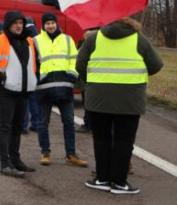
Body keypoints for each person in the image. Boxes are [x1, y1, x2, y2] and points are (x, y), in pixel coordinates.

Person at [77, 18, 163, 195]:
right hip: (130, 100)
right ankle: (119, 182)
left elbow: (80, 65)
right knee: (124, 141)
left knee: (101, 139)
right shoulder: (139, 39)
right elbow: (156, 66)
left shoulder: (93, 38)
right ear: (130, 21)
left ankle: (102, 179)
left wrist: (93, 83)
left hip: (97, 99)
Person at [0, 10, 39, 178]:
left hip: (23, 91)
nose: (19, 26)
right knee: (5, 127)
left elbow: (35, 63)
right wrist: (2, 79)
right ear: (8, 24)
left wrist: (35, 78)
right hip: (7, 90)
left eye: (21, 23)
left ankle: (16, 160)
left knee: (17, 127)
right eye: (15, 23)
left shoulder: (29, 40)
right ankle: (5, 163)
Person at [33, 12, 88, 167]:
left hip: (65, 87)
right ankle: (45, 152)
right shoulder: (36, 41)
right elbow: (32, 63)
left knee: (69, 122)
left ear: (56, 24)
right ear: (42, 25)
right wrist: (39, 77)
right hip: (44, 88)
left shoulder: (67, 40)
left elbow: (74, 59)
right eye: (47, 23)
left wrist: (72, 75)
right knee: (43, 122)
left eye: (52, 23)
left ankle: (71, 154)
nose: (50, 26)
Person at [23, 16, 40, 133]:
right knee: (34, 99)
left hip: (27, 71)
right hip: (38, 71)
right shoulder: (40, 36)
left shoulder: (24, 36)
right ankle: (36, 123)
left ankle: (24, 125)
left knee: (25, 99)